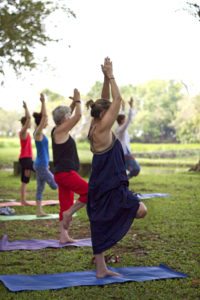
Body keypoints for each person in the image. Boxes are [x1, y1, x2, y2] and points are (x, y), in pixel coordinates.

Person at [86, 57, 147, 278]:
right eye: (109, 111)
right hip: (110, 185)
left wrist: (104, 77)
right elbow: (117, 100)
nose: (113, 112)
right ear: (105, 115)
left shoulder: (94, 124)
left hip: (101, 183)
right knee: (141, 210)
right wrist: (111, 75)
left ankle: (101, 269)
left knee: (100, 222)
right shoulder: (102, 129)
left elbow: (104, 101)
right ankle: (104, 260)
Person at [51, 89, 88, 243]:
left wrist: (72, 104)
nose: (70, 116)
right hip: (66, 173)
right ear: (65, 118)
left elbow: (70, 115)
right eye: (68, 116)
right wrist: (79, 101)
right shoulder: (61, 130)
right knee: (90, 192)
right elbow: (78, 116)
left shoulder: (58, 129)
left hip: (61, 174)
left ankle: (63, 236)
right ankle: (69, 213)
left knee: (65, 203)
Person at [33, 94, 57, 217]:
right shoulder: (37, 133)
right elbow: (45, 116)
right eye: (45, 121)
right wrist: (43, 102)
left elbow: (43, 117)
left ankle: (39, 211)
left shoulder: (40, 133)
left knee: (40, 188)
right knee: (55, 185)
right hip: (41, 165)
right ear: (41, 122)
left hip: (42, 165)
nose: (47, 122)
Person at [115, 98, 140, 179]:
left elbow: (121, 117)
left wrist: (123, 108)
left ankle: (123, 180)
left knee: (122, 170)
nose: (125, 121)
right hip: (124, 153)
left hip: (123, 152)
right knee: (136, 169)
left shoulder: (118, 127)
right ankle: (125, 179)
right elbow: (129, 119)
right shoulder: (121, 129)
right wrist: (131, 107)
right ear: (122, 121)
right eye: (124, 120)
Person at [19, 101, 34, 206]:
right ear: (25, 124)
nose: (30, 124)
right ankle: (23, 201)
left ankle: (23, 200)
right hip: (25, 159)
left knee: (26, 179)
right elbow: (29, 118)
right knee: (40, 170)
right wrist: (26, 108)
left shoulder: (27, 133)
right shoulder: (23, 132)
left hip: (27, 158)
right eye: (28, 123)